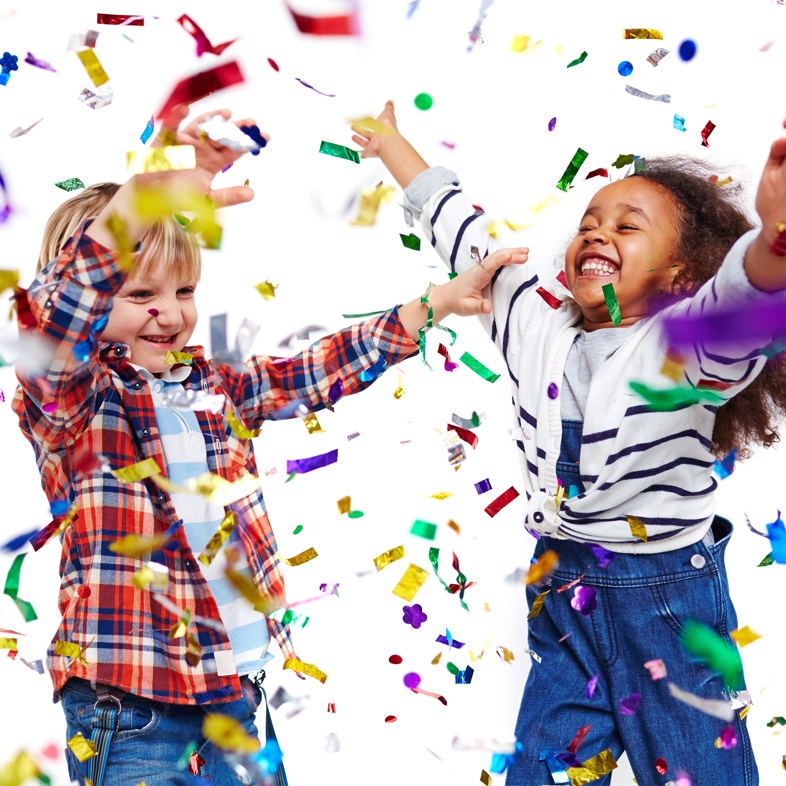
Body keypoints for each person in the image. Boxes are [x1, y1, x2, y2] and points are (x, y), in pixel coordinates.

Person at [12, 104, 526, 786]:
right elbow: (58, 314)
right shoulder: (73, 400)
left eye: (185, 289)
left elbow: (314, 372)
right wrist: (153, 197)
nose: (170, 311)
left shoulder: (214, 385)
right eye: (141, 292)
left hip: (236, 699)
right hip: (136, 712)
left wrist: (432, 305)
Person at [350, 100, 786, 785]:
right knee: (545, 770)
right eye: (589, 223)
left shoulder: (686, 346)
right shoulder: (537, 324)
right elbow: (467, 239)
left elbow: (743, 300)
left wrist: (775, 239)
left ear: (677, 276)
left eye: (626, 226)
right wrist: (394, 147)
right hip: (563, 586)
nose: (596, 233)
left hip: (666, 598)